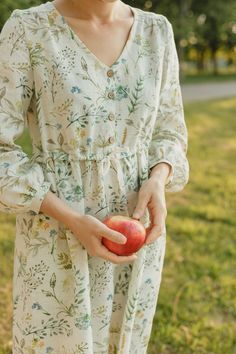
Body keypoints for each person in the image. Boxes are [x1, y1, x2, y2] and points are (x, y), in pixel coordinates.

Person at [0, 0, 189, 352]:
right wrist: (71, 218)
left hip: (136, 237)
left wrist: (158, 177)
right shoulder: (27, 30)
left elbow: (170, 131)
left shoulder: (156, 32)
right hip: (58, 238)